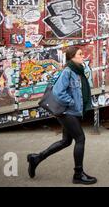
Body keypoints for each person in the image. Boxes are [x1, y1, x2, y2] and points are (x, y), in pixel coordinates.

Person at [26, 46, 96, 185]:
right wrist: (72, 102)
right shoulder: (68, 71)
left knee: (66, 141)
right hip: (67, 112)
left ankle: (36, 158)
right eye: (80, 54)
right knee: (80, 139)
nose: (83, 56)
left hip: (71, 111)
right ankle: (78, 174)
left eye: (82, 54)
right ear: (72, 57)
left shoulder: (78, 71)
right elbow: (58, 92)